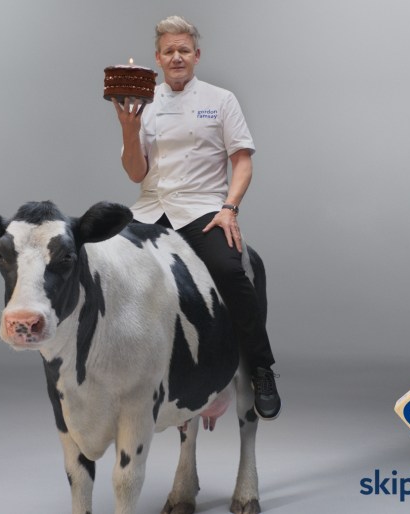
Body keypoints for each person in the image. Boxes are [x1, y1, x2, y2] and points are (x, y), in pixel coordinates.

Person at [112, 15, 281, 420]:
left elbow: (242, 162)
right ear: (157, 57)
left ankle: (261, 370)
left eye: (183, 50)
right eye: (168, 51)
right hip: (150, 211)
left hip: (202, 210)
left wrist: (229, 208)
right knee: (106, 270)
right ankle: (113, 374)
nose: (176, 57)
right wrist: (128, 129)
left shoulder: (221, 100)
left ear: (197, 55)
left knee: (230, 271)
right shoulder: (144, 104)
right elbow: (136, 173)